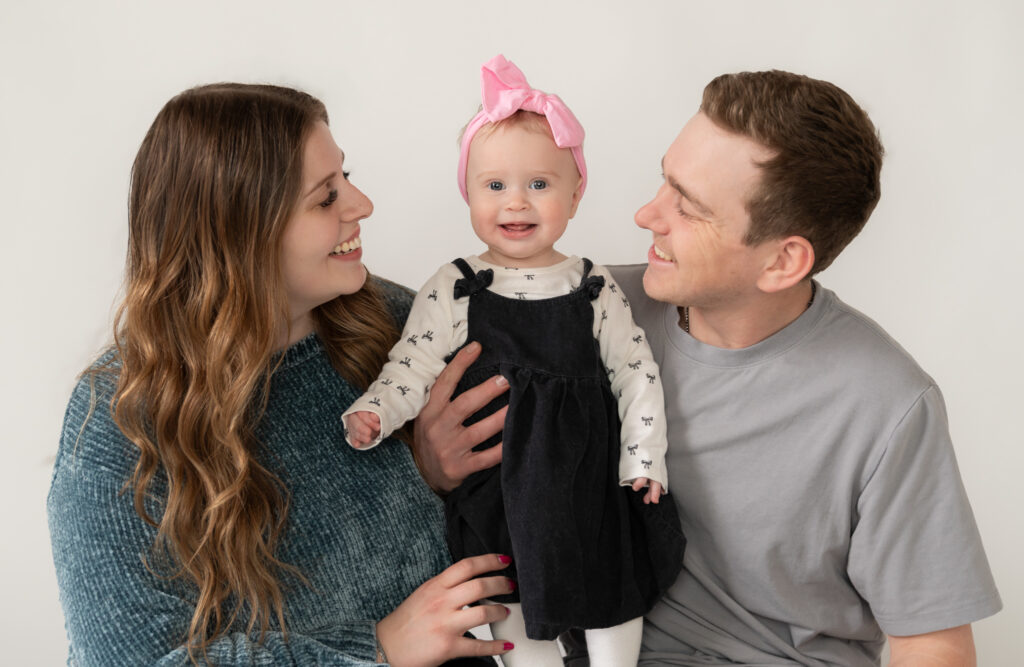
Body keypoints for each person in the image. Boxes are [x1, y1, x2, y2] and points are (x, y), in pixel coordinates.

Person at [421, 69, 1002, 666]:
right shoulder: (586, 315)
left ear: (782, 261)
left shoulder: (887, 403)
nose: (647, 214)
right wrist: (431, 466)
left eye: (689, 208)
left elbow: (932, 643)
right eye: (663, 182)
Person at [46, 83, 520, 667]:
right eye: (326, 198)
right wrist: (375, 649)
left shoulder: (395, 322)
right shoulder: (120, 419)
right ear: (241, 233)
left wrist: (429, 475)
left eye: (347, 177)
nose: (362, 205)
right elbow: (129, 660)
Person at [343, 56, 685, 667]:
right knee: (510, 600)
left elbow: (636, 373)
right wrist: (377, 410)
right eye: (495, 186)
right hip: (500, 490)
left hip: (585, 485)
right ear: (468, 194)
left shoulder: (591, 287)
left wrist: (642, 456)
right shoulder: (458, 285)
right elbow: (412, 366)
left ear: (576, 195)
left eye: (540, 184)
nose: (516, 203)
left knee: (610, 590)